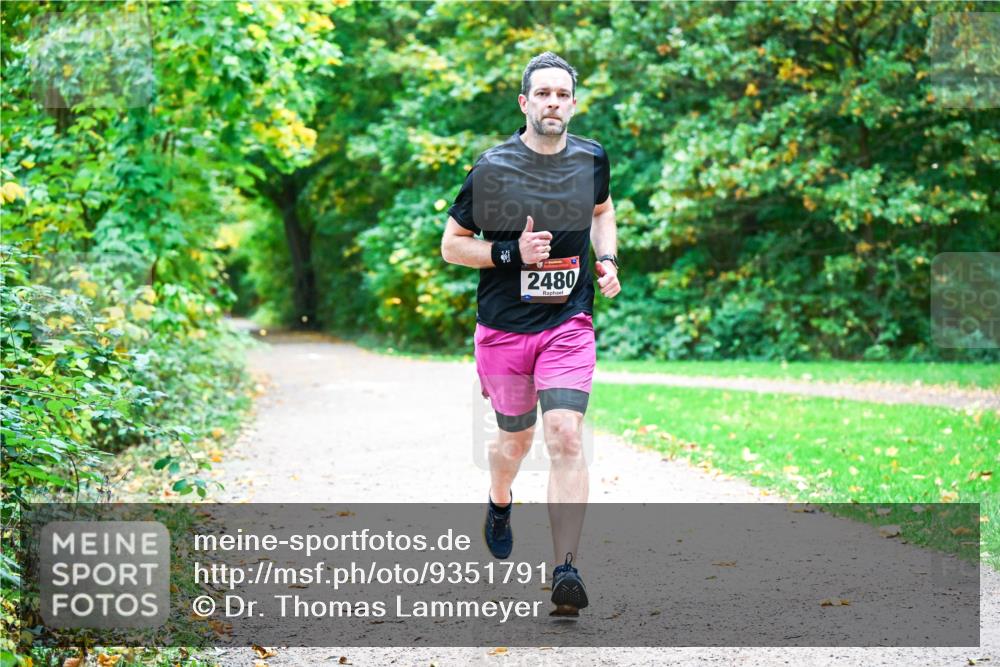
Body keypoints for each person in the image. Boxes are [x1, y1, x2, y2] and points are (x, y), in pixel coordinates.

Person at [440, 52, 620, 616]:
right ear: (525, 103)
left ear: (574, 102)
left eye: (561, 95)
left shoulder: (591, 158)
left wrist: (608, 258)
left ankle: (566, 566)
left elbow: (603, 209)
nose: (552, 104)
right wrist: (508, 252)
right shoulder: (492, 169)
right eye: (541, 94)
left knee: (566, 434)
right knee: (513, 443)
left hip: (568, 321)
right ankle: (499, 499)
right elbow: (451, 246)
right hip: (503, 329)